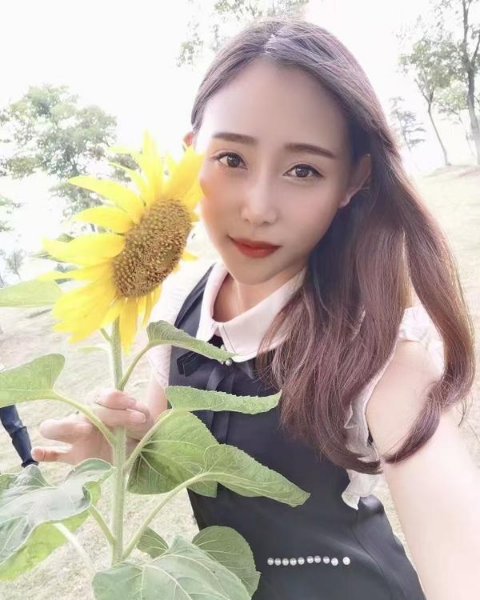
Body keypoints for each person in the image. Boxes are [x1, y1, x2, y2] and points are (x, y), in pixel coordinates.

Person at [31, 18, 479, 600]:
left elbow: (462, 555)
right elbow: (161, 435)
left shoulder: (378, 351)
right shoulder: (182, 307)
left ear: (353, 180)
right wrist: (118, 444)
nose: (259, 207)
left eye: (304, 170)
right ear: (191, 155)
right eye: (231, 159)